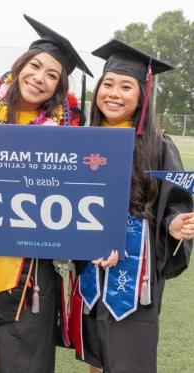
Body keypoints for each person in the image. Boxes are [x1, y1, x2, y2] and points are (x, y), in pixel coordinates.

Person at [0, 14, 96, 373]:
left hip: (34, 271)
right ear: (20, 66)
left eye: (52, 76)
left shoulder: (67, 134)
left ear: (59, 88)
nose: (39, 79)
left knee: (26, 357)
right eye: (35, 66)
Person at [68, 39, 194, 373]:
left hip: (136, 277)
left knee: (129, 358)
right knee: (97, 355)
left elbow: (176, 200)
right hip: (92, 267)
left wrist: (175, 222)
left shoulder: (158, 145)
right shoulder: (81, 139)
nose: (114, 93)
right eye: (107, 84)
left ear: (142, 95)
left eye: (126, 86)